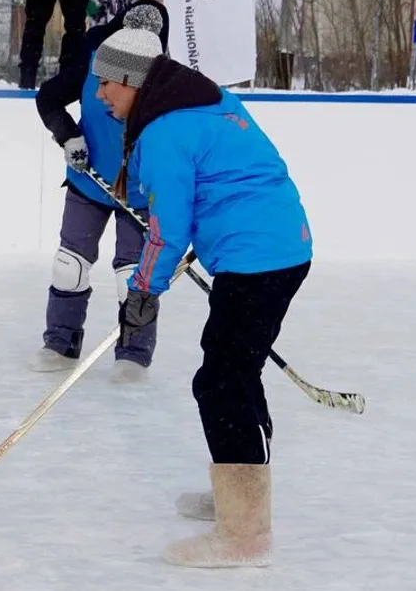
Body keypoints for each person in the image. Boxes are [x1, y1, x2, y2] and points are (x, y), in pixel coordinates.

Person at [91, 30, 314, 568]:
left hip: (257, 257)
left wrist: (143, 291)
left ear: (131, 80)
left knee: (221, 381)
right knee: (235, 375)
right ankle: (241, 498)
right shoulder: (200, 99)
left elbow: (167, 227)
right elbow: (224, 178)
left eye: (105, 83)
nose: (100, 96)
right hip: (275, 246)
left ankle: (244, 536)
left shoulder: (167, 128)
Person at [31, 0, 170, 382]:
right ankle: (60, 343)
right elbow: (49, 98)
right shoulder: (95, 56)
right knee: (69, 266)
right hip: (88, 180)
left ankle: (134, 354)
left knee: (132, 276)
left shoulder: (167, 76)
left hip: (139, 194)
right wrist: (69, 135)